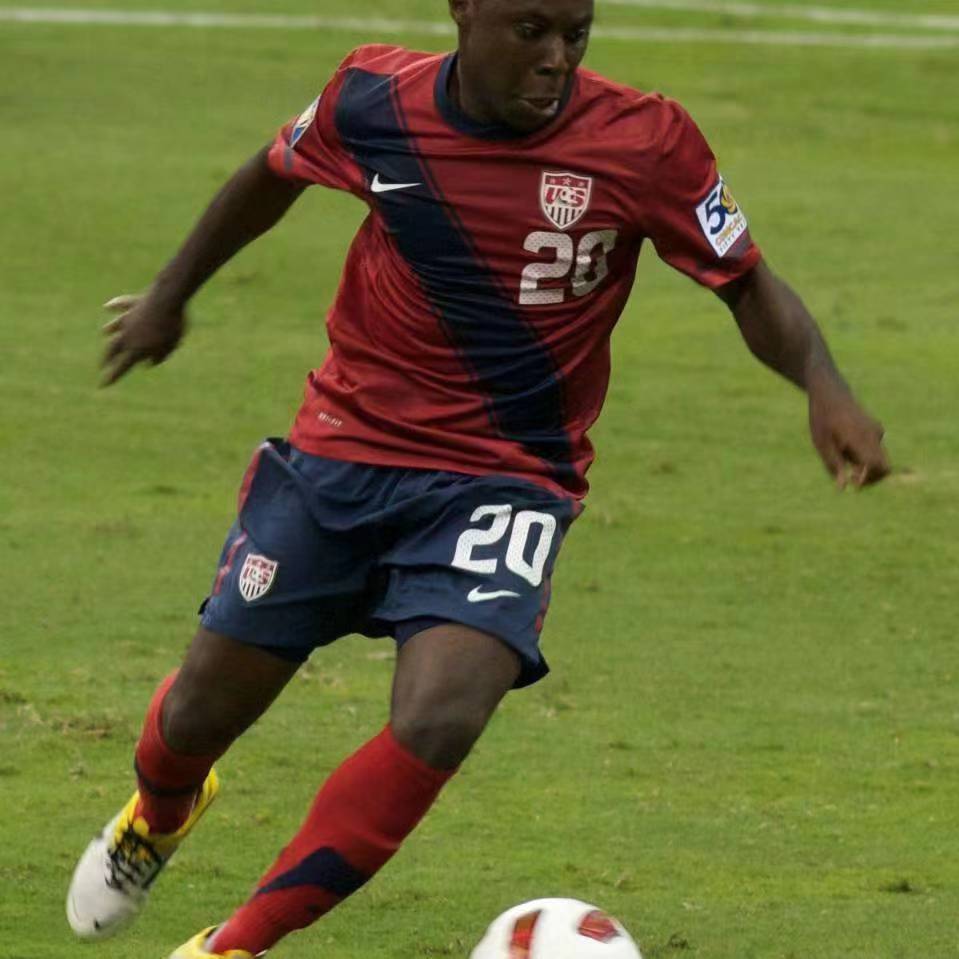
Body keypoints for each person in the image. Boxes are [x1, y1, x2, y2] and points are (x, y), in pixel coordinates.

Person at [66, 0, 891, 956]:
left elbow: (742, 277)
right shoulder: (372, 100)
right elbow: (270, 173)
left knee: (442, 715)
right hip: (344, 449)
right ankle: (159, 814)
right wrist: (169, 297)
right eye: (530, 32)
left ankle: (235, 944)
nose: (556, 59)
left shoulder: (645, 142)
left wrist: (823, 384)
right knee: (201, 709)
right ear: (463, 11)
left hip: (508, 476)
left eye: (575, 34)